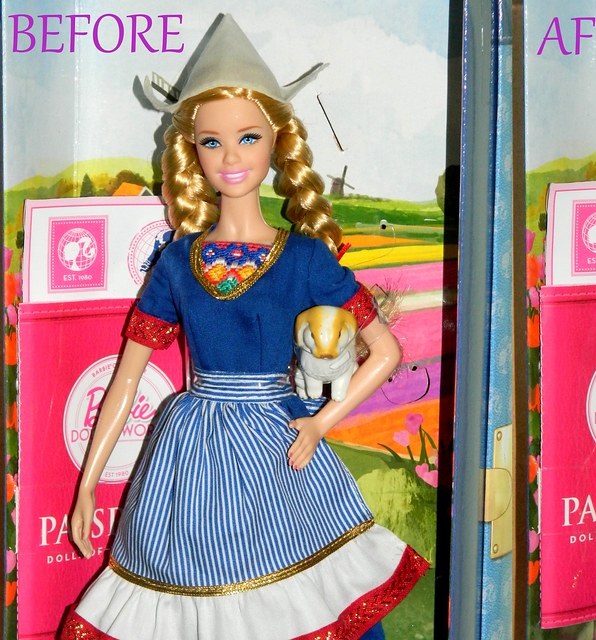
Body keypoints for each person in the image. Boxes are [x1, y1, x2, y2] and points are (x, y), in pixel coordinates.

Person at [61, 15, 427, 640]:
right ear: (192, 150)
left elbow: (385, 351)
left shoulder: (305, 257)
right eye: (212, 142)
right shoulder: (177, 262)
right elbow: (127, 378)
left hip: (279, 446)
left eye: (248, 138)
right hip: (190, 457)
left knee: (294, 594)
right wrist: (87, 483)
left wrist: (321, 423)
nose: (231, 157)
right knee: (190, 592)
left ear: (276, 142)